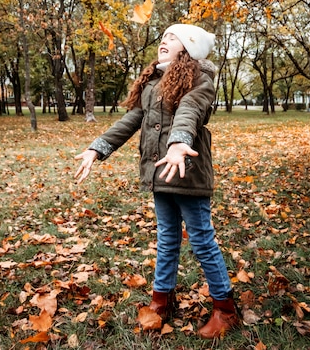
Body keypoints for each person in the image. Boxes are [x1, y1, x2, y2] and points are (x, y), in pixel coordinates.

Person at [75, 24, 240, 339]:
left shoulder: (200, 78)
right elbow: (131, 120)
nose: (164, 40)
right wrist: (98, 147)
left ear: (189, 49)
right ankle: (162, 300)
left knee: (202, 239)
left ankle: (226, 309)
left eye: (173, 37)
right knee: (166, 239)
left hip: (186, 171)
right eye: (163, 37)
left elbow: (189, 111)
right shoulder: (152, 82)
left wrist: (179, 142)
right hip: (159, 173)